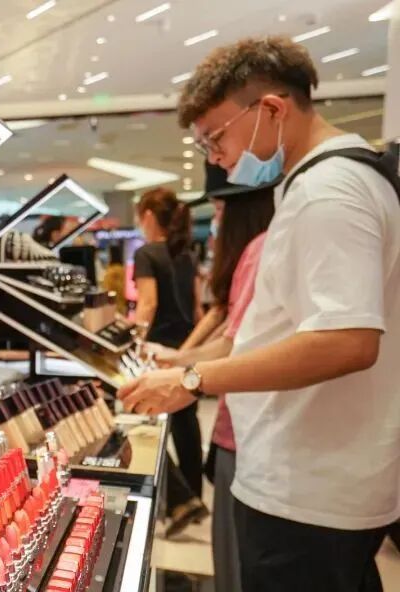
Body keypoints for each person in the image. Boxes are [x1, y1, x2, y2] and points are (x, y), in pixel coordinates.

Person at [118, 36, 400, 592]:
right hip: (312, 478)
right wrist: (186, 363)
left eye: (215, 137)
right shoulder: (325, 185)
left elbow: (347, 341)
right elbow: (278, 329)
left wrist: (193, 379)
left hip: (308, 488)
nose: (214, 158)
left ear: (271, 108)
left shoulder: (328, 192)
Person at [151, 178, 275, 592]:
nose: (214, 224)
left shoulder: (260, 252)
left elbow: (233, 342)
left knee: (237, 560)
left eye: (219, 212)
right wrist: (181, 359)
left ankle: (185, 499)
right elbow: (219, 319)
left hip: (250, 432)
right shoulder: (237, 257)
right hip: (243, 426)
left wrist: (186, 373)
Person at [131, 188, 206, 527]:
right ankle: (192, 495)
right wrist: (191, 350)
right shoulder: (186, 255)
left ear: (148, 216)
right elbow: (197, 308)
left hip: (158, 350)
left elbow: (148, 303)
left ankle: (178, 499)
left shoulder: (147, 253)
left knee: (145, 420)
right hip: (186, 346)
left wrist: (135, 341)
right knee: (187, 424)